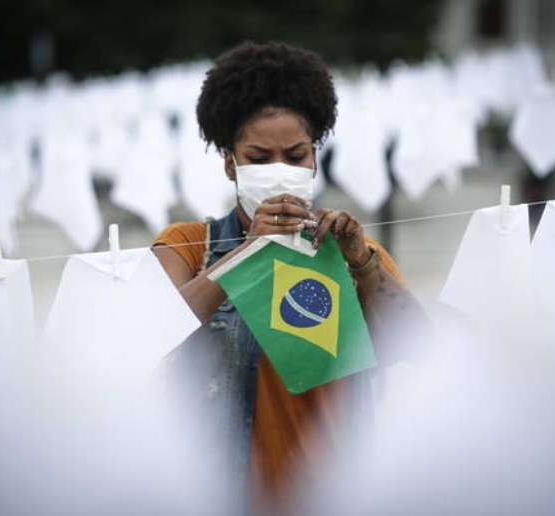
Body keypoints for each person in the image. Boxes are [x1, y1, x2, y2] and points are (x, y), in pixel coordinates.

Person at [153, 41, 424, 515]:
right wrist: (247, 253)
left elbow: (417, 347)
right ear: (229, 162)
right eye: (259, 158)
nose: (279, 170)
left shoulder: (354, 254)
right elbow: (150, 335)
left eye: (295, 155)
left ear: (315, 158)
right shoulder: (188, 245)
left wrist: (361, 263)